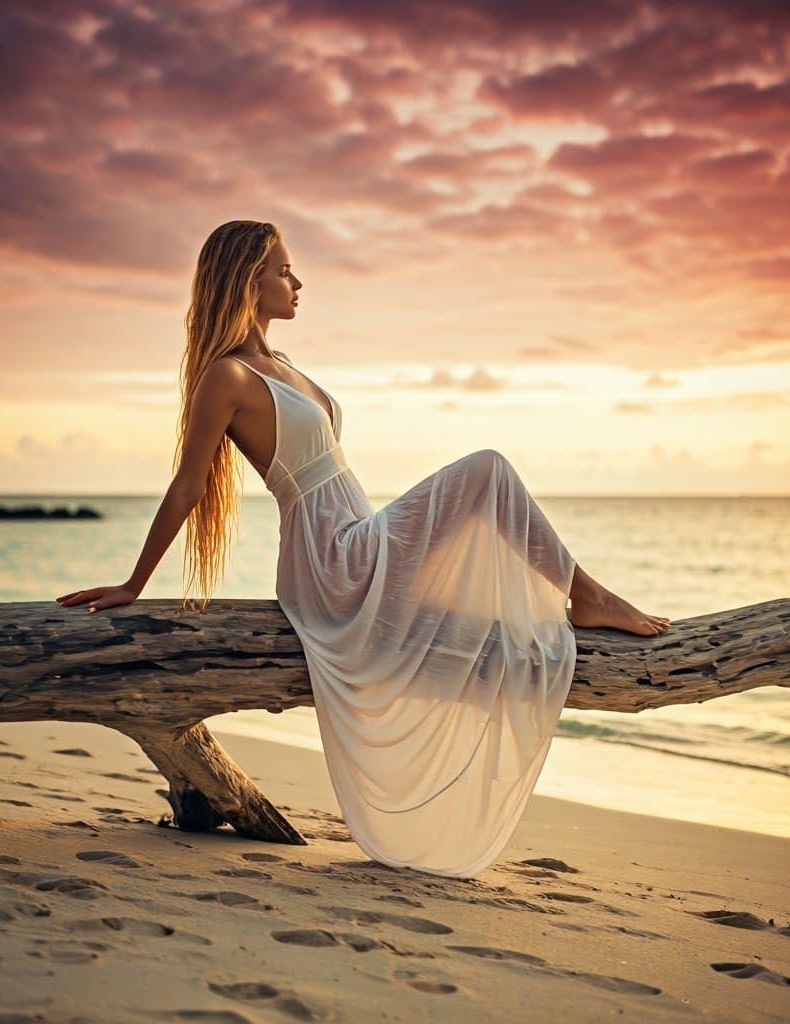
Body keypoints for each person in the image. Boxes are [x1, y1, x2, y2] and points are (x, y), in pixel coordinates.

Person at [57, 220, 670, 878]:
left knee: (486, 571)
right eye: (283, 271)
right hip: (330, 558)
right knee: (487, 471)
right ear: (248, 280)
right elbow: (187, 485)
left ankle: (565, 605)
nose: (297, 282)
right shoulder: (226, 377)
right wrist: (134, 584)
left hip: (357, 537)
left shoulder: (282, 365)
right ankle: (589, 596)